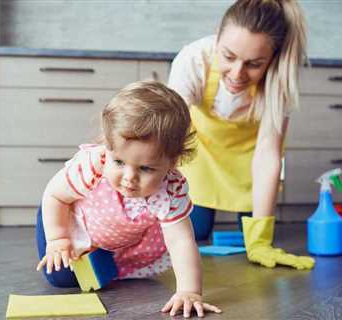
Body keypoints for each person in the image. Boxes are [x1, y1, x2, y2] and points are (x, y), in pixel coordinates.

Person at [35, 81, 221, 318]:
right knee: (61, 278)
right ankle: (83, 249)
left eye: (145, 168)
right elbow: (54, 195)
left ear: (171, 163)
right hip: (67, 218)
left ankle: (106, 256)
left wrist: (190, 291)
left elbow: (181, 242)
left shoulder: (170, 191)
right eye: (120, 163)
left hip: (118, 236)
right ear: (107, 145)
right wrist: (58, 239)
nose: (129, 178)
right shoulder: (92, 165)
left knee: (107, 275)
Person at [168, 0, 315, 270]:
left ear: (272, 57)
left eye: (254, 64)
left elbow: (268, 154)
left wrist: (261, 241)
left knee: (253, 239)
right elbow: (167, 129)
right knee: (194, 232)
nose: (237, 74)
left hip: (250, 162)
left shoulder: (279, 78)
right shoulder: (194, 59)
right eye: (228, 56)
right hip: (201, 154)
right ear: (217, 35)